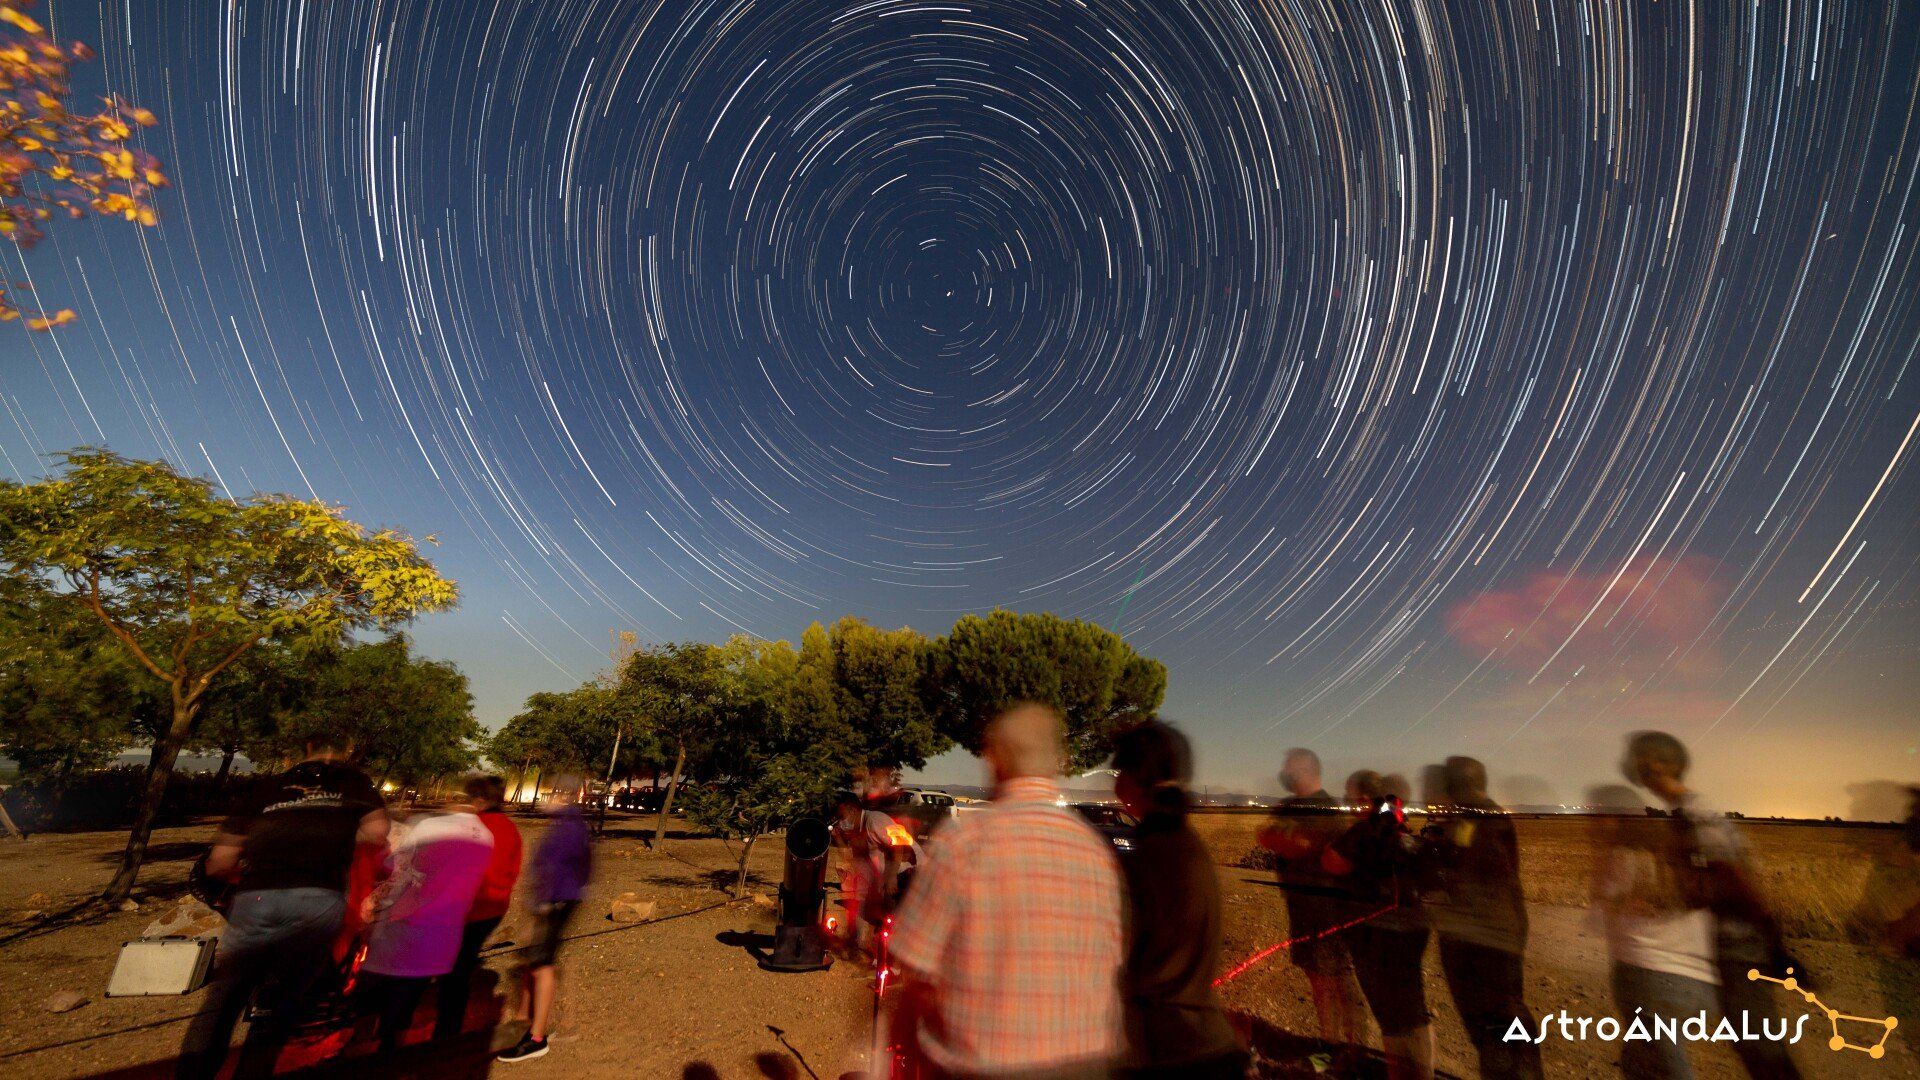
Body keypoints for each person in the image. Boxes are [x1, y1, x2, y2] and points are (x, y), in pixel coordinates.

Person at [888, 702, 1125, 1078]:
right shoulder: (1094, 851)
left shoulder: (964, 843)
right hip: (1088, 1065)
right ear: (1056, 764)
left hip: (982, 1067)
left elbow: (916, 968)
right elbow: (1109, 960)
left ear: (996, 760)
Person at [179, 742, 388, 1080]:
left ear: (302, 749)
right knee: (280, 1002)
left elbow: (219, 862)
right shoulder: (352, 784)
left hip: (256, 896)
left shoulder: (264, 788)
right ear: (344, 752)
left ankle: (192, 1074)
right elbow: (378, 833)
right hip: (317, 897)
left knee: (223, 999)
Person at [1623, 732, 1803, 1080]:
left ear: (1666, 765)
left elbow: (1731, 878)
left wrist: (1770, 937)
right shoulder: (1683, 816)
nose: (1644, 771)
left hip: (1736, 941)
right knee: (1750, 1041)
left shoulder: (1693, 816)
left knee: (1758, 1045)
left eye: (1649, 763)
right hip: (1724, 939)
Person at [1110, 719, 1245, 1078]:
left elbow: (1120, 957)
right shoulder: (1185, 844)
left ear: (1137, 777)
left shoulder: (1151, 856)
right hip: (1207, 1044)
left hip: (1167, 1052)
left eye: (1120, 769)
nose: (1114, 781)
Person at [1588, 784, 1719, 1080]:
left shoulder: (1617, 856)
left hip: (1650, 977)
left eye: (1594, 814)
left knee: (1663, 1066)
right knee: (1639, 1060)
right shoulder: (1670, 852)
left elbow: (1596, 920)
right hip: (1701, 981)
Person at [1425, 756, 1542, 1080]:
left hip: (1485, 942)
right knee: (1497, 1028)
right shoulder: (1475, 818)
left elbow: (1470, 873)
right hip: (1485, 938)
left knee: (1498, 1031)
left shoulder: (1482, 820)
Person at [355, 804, 495, 1052]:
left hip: (403, 926)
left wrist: (374, 900)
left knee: (374, 993)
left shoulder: (425, 831)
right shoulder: (483, 835)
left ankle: (364, 1047)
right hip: (440, 931)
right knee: (405, 997)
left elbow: (395, 874)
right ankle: (388, 1048)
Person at [1322, 770, 1433, 1080]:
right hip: (1408, 928)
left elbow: (1331, 862)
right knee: (1414, 1011)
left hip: (1380, 936)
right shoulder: (1398, 826)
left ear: (1362, 799)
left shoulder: (1364, 831)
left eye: (1349, 795)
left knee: (1395, 1021)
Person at [1257, 748, 1364, 1063]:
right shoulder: (1289, 807)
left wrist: (1291, 843)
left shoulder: (1327, 809)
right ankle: (1329, 1049)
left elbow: (1301, 846)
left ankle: (1355, 1053)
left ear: (1306, 770)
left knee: (1341, 985)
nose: (1285, 774)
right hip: (1301, 910)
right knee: (1318, 984)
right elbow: (1265, 835)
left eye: (1289, 768)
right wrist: (1289, 843)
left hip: (1329, 913)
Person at [496, 782, 593, 1064]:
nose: (549, 798)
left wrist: (547, 902)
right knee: (534, 961)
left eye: (555, 794)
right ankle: (524, 1019)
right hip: (555, 901)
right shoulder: (566, 823)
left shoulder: (570, 827)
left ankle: (536, 1039)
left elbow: (562, 867)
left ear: (570, 796)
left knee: (542, 964)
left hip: (556, 902)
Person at [434, 775, 523, 1040]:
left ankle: (445, 1031)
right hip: (494, 908)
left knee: (452, 973)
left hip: (466, 910)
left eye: (471, 799)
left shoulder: (473, 828)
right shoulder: (509, 828)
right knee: (460, 966)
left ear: (480, 800)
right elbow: (513, 868)